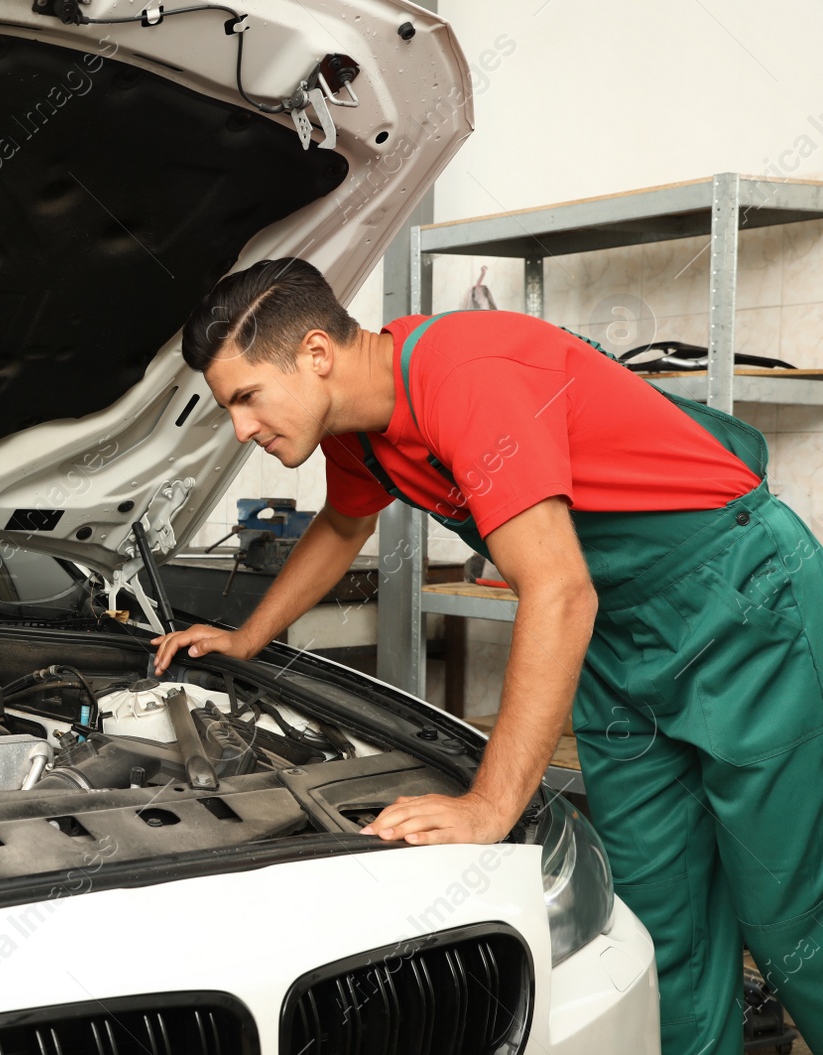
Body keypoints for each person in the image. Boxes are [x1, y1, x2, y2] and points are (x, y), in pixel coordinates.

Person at [150, 257, 823, 1055]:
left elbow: (559, 591)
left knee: (789, 921)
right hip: (617, 638)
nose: (241, 428)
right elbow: (340, 527)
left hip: (738, 597)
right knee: (660, 922)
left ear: (317, 355)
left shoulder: (465, 377)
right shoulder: (360, 435)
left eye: (246, 397)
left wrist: (491, 805)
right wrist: (245, 637)